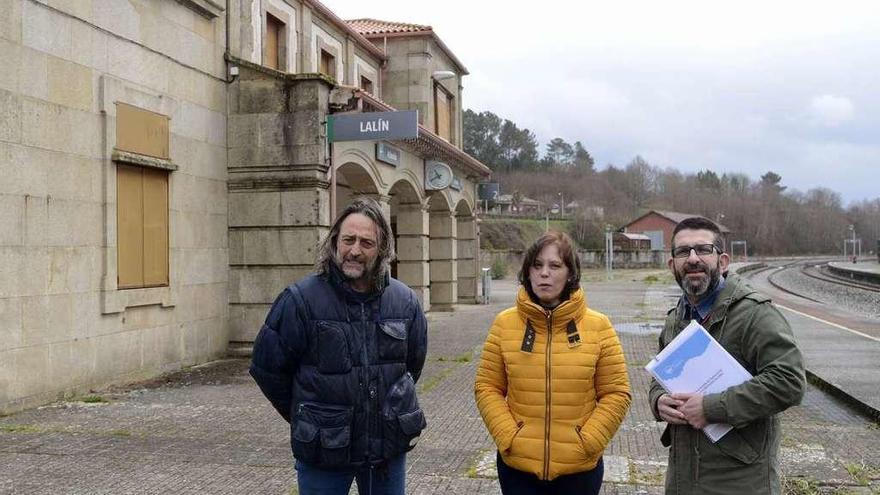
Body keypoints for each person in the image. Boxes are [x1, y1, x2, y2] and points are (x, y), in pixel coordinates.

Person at [250, 198, 428, 495]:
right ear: (334, 242)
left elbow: (412, 364)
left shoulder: (405, 301)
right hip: (324, 452)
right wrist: (309, 415)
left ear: (383, 249)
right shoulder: (299, 300)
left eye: (367, 243)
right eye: (348, 240)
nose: (355, 250)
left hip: (386, 448)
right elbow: (268, 370)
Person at [649, 216, 806, 495]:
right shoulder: (675, 319)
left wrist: (712, 408)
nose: (693, 258)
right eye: (683, 251)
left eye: (703, 249)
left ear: (722, 261)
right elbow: (660, 376)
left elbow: (789, 381)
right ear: (672, 264)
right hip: (683, 481)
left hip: (741, 482)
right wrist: (658, 400)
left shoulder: (755, 314)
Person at [475, 231, 631, 495]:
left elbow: (616, 393)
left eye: (555, 265)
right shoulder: (504, 323)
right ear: (528, 272)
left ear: (570, 273)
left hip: (579, 471)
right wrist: (509, 437)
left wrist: (588, 441)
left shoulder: (598, 326)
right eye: (537, 265)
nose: (544, 273)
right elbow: (486, 386)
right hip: (518, 471)